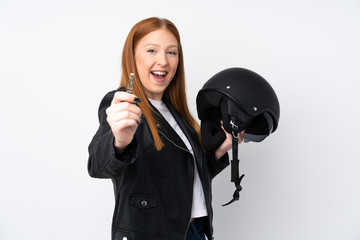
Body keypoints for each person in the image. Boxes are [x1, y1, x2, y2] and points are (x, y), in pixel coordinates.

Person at [88, 17, 244, 240]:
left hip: (195, 231)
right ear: (132, 56)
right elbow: (97, 165)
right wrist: (119, 140)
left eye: (172, 52)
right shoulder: (123, 105)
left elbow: (183, 176)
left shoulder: (177, 114)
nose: (163, 60)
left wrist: (221, 149)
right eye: (151, 50)